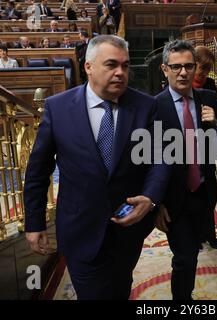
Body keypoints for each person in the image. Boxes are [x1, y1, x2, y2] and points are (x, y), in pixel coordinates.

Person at [24, 35, 170, 300]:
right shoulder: (58, 109)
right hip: (79, 227)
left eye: (125, 66)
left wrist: (150, 198)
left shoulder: (146, 106)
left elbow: (160, 158)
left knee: (120, 286)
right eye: (111, 64)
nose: (120, 73)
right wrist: (34, 223)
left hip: (128, 228)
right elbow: (38, 170)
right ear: (88, 66)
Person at [155, 40, 217, 300]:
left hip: (204, 192)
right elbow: (149, 161)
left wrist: (216, 124)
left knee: (193, 250)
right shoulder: (155, 107)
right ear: (165, 70)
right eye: (176, 67)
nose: (183, 72)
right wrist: (156, 204)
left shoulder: (209, 99)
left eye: (188, 66)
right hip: (174, 198)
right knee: (184, 257)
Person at [193, 45, 217, 250]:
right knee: (193, 196)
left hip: (207, 145)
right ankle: (196, 237)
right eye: (201, 67)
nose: (204, 72)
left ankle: (209, 234)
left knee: (210, 195)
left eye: (207, 68)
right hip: (184, 146)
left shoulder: (211, 86)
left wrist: (214, 119)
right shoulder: (182, 85)